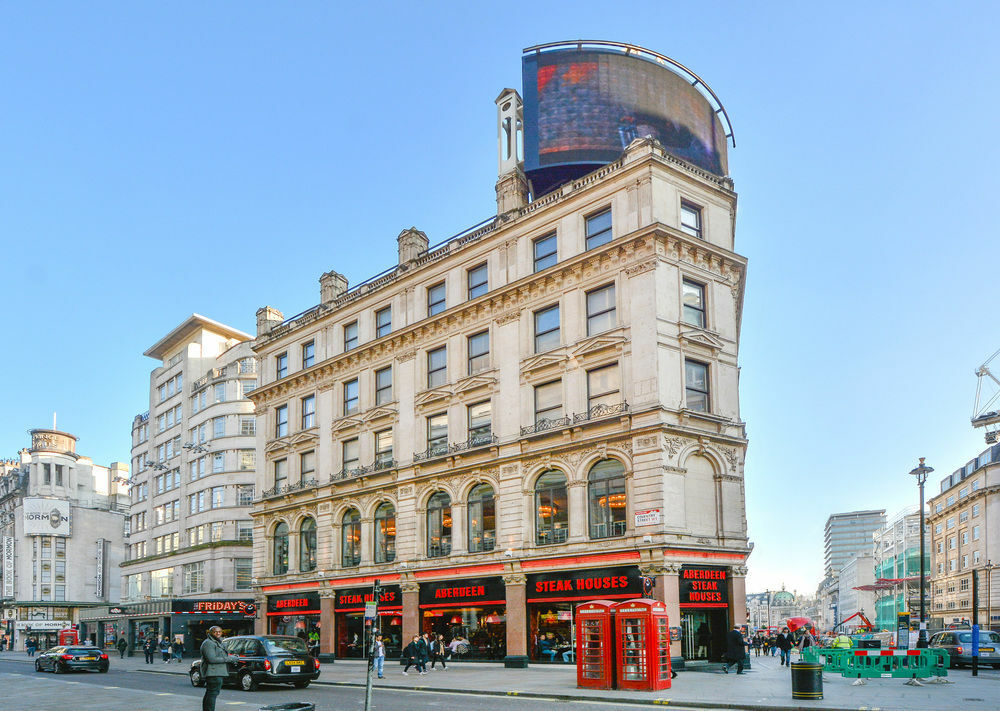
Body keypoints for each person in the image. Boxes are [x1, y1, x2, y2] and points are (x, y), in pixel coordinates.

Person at [201, 625, 236, 711]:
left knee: (211, 693)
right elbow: (212, 659)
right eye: (215, 631)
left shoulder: (218, 642)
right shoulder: (208, 643)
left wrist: (232, 657)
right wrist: (229, 659)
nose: (218, 633)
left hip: (217, 671)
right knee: (212, 694)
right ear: (210, 633)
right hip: (213, 672)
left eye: (219, 631)